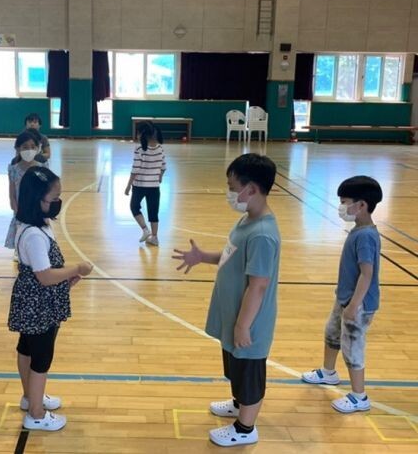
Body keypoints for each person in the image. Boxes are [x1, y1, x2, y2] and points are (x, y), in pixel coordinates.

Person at [172, 153, 280, 447]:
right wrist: (203, 257)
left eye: (233, 187)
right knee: (235, 366)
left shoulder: (262, 235)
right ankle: (238, 403)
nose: (229, 193)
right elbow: (232, 256)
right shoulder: (247, 221)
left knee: (249, 373)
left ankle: (245, 428)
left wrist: (243, 326)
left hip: (249, 322)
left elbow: (258, 286)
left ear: (252, 189)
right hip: (234, 314)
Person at [8, 166, 93, 431]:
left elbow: (46, 271)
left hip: (36, 299)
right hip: (38, 304)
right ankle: (36, 413)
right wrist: (77, 268)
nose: (58, 202)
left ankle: (30, 396)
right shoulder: (33, 234)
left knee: (27, 348)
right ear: (37, 200)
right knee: (41, 356)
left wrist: (65, 280)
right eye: (53, 198)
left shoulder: (39, 225)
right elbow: (44, 276)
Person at [302, 176, 383, 413]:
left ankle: (359, 396)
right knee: (332, 333)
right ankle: (328, 372)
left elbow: (366, 274)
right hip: (345, 299)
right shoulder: (359, 230)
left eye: (344, 201)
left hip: (358, 304)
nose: (341, 206)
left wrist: (354, 305)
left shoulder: (365, 236)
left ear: (361, 205)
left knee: (352, 346)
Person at [124, 121, 166, 246]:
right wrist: (160, 177)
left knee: (134, 207)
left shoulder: (139, 149)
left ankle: (145, 230)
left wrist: (128, 185)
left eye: (138, 133)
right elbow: (163, 167)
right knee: (153, 212)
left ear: (142, 134)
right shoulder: (160, 148)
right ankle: (155, 237)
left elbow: (135, 169)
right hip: (154, 186)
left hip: (140, 185)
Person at [5, 131, 43, 260]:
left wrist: (43, 211)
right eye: (25, 147)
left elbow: (45, 191)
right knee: (22, 232)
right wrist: (17, 212)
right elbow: (12, 195)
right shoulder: (14, 169)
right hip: (20, 211)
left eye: (32, 147)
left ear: (37, 148)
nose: (29, 150)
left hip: (38, 211)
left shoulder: (42, 168)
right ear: (18, 149)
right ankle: (19, 250)